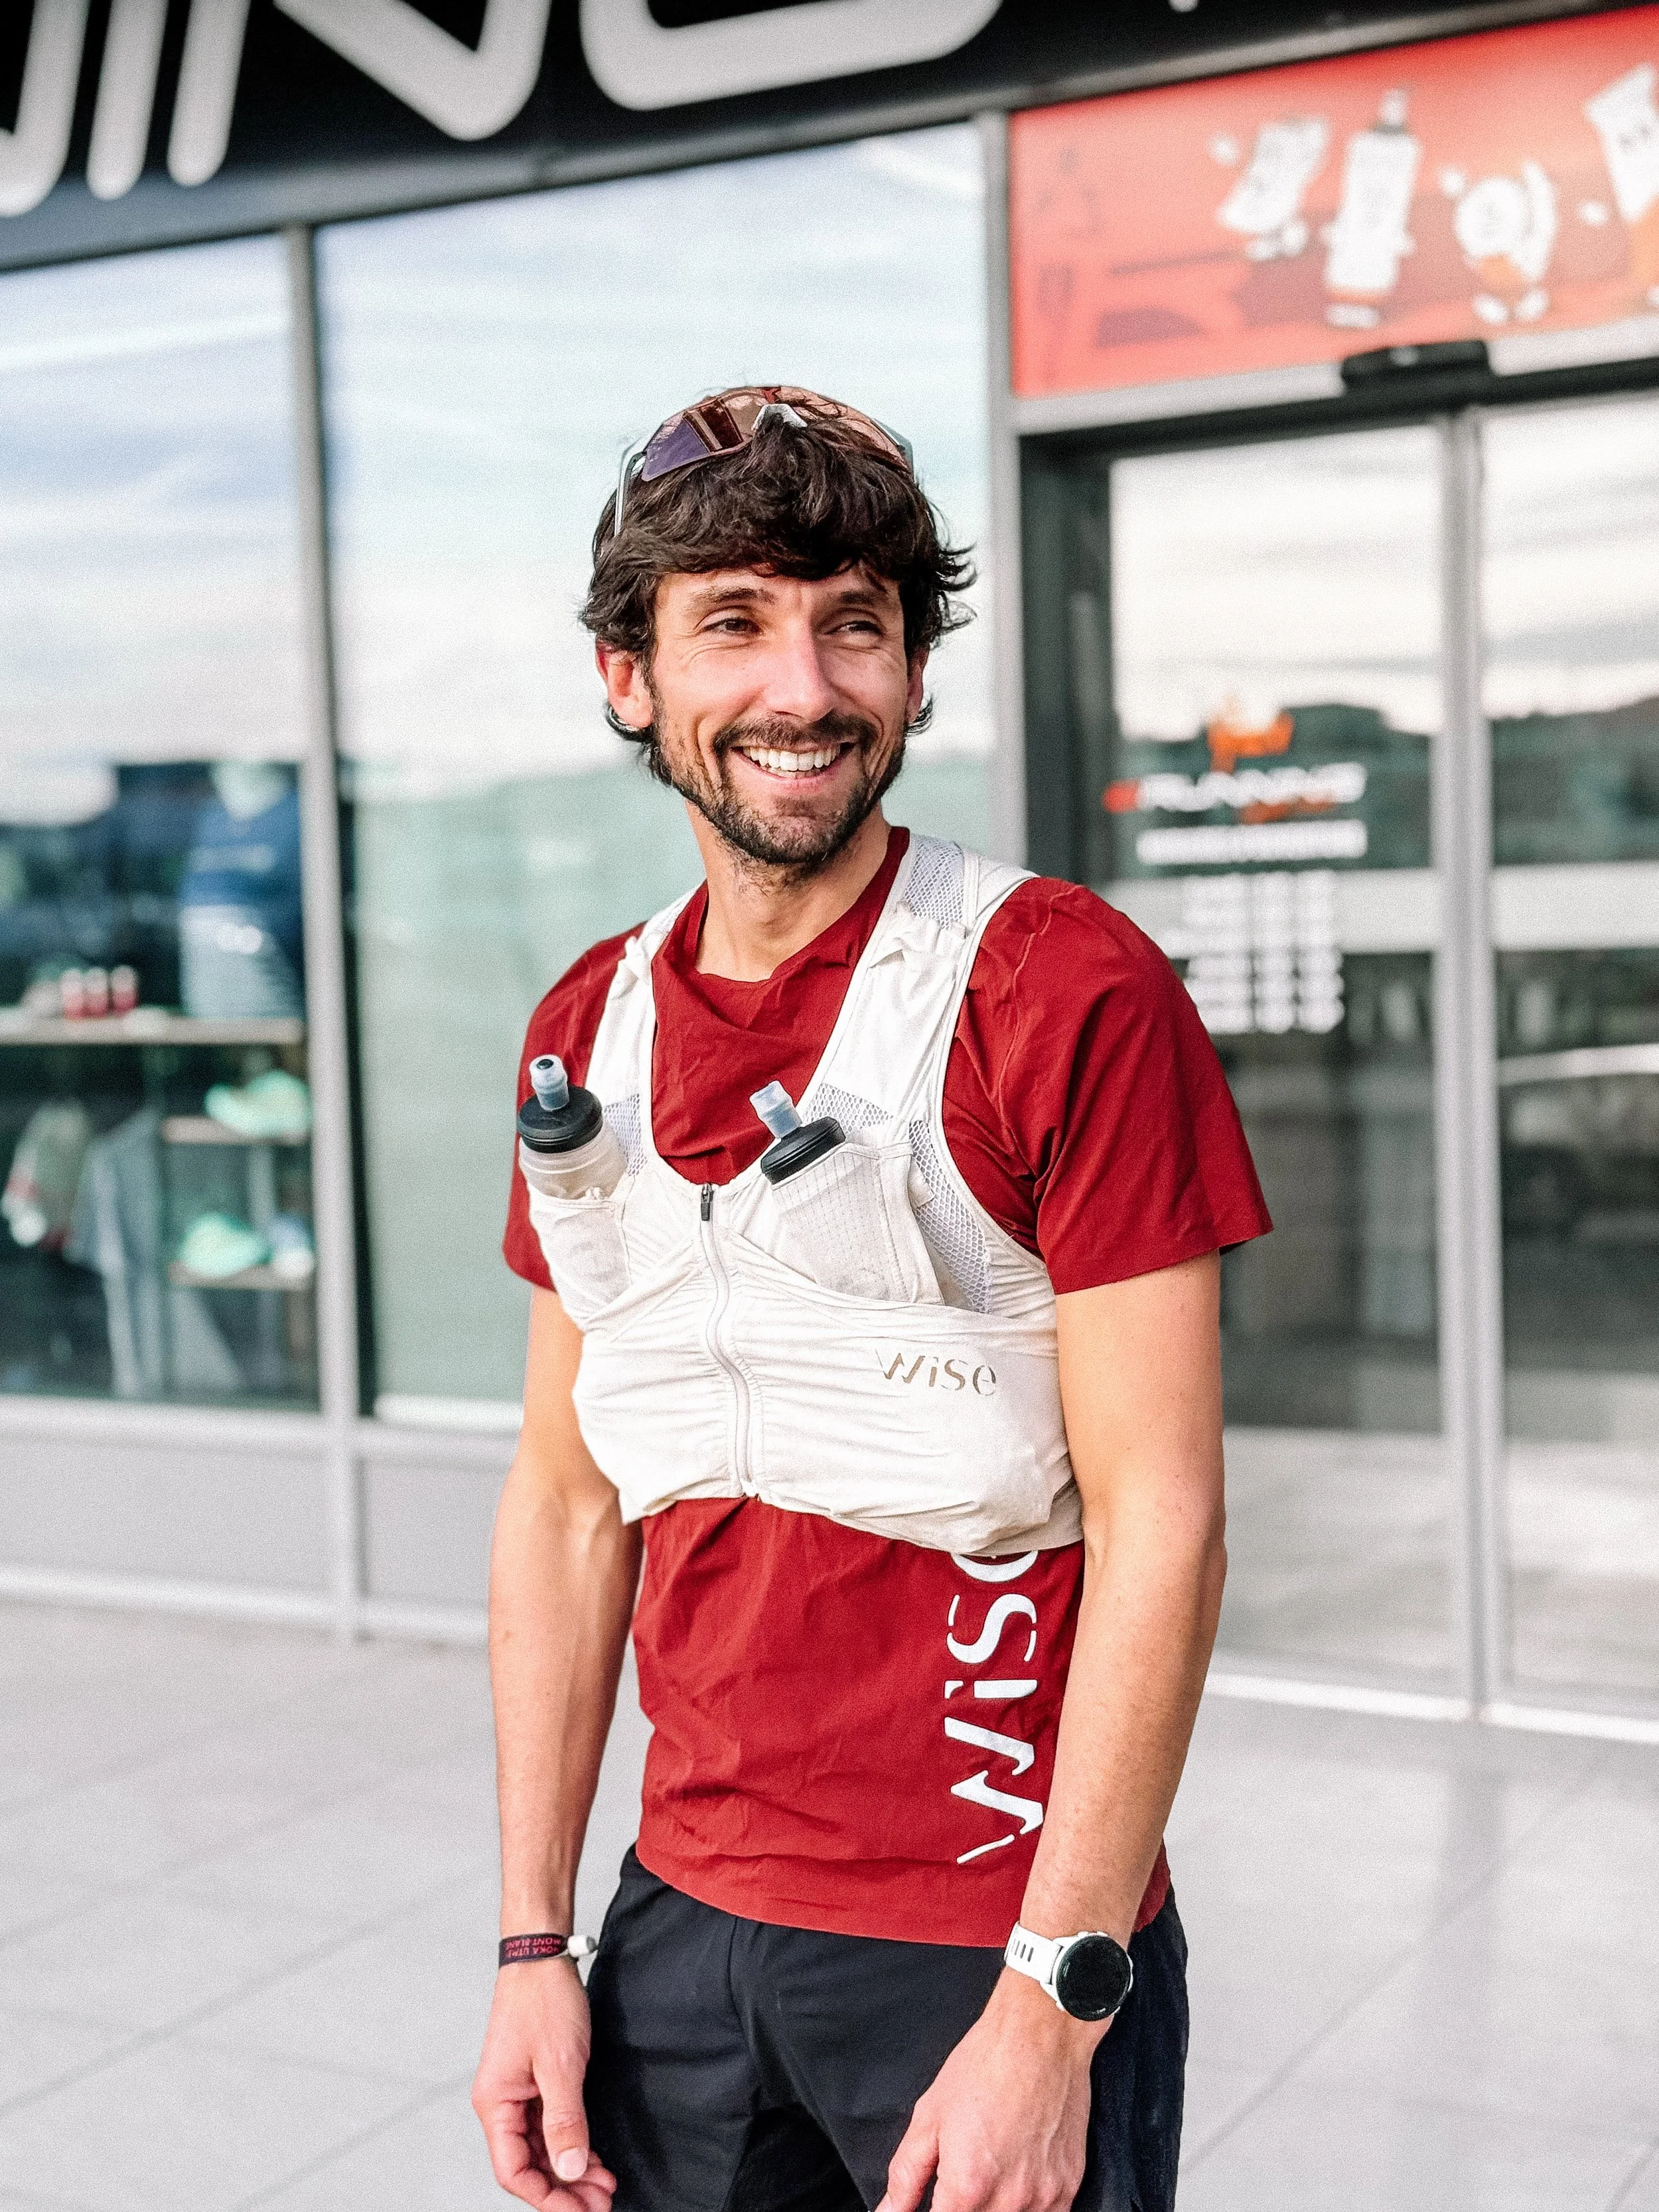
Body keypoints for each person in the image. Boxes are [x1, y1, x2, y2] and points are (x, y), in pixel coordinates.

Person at [473, 386, 1270, 2212]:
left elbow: (1165, 1517)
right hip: (676, 1938)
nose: (801, 686)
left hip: (980, 1939)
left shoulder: (1062, 986)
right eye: (733, 622)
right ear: (628, 675)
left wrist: (1056, 2000)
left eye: (855, 624)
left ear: (913, 675)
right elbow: (565, 1499)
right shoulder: (581, 1023)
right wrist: (535, 1946)